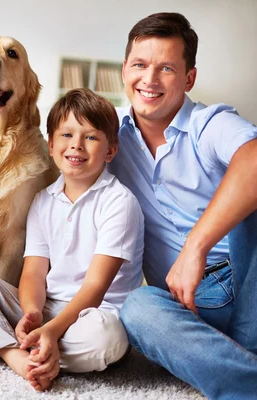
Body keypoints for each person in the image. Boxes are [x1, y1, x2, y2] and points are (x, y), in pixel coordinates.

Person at [0, 88, 144, 391]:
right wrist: (32, 314)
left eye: (90, 137)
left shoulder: (119, 202)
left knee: (108, 340)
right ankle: (17, 354)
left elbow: (95, 287)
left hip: (94, 314)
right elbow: (34, 273)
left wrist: (51, 331)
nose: (76, 145)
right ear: (51, 145)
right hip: (48, 307)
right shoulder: (42, 200)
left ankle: (10, 345)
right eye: (66, 135)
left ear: (110, 150)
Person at [108, 12, 257, 399]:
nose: (150, 80)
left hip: (248, 285)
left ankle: (239, 360)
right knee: (137, 308)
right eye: (139, 65)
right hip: (186, 309)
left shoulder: (210, 123)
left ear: (189, 78)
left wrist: (196, 247)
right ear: (124, 69)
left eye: (167, 68)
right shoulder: (108, 137)